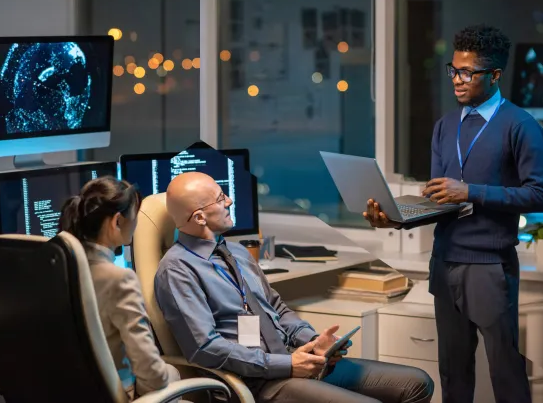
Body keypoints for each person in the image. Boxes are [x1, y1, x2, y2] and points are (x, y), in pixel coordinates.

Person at [365, 24, 543, 403]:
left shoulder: (521, 126)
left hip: (489, 266)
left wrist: (471, 191)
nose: (457, 80)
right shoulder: (445, 126)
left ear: (495, 76)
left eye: (467, 72)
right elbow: (443, 201)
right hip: (444, 261)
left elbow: (541, 195)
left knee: (506, 372)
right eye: (453, 70)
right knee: (453, 374)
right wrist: (394, 218)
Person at [155, 171, 434, 403]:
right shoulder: (178, 270)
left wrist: (311, 340)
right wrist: (287, 365)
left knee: (416, 384)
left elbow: (276, 307)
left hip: (293, 360)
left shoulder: (236, 252)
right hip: (254, 381)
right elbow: (205, 347)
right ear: (200, 217)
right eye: (219, 198)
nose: (229, 200)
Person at [59, 176, 181, 400]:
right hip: (114, 393)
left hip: (67, 392)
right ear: (117, 222)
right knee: (172, 374)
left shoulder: (58, 268)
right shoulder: (118, 278)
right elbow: (150, 372)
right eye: (135, 217)